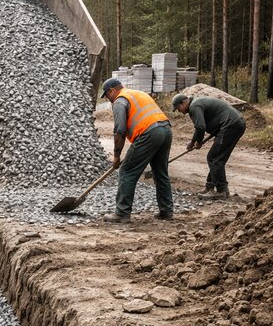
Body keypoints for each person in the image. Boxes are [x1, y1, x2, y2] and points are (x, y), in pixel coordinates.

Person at [100, 78, 174, 223]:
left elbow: (119, 131)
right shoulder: (136, 93)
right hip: (166, 130)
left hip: (150, 133)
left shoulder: (120, 101)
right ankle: (166, 211)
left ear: (112, 91)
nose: (108, 100)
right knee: (160, 172)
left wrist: (116, 155)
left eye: (107, 96)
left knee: (127, 171)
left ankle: (122, 213)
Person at [172, 93, 246, 199]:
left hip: (231, 125)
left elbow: (201, 127)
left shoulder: (194, 106)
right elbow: (200, 127)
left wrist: (198, 141)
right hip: (233, 124)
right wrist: (193, 142)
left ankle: (221, 191)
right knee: (216, 158)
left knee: (214, 158)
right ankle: (210, 186)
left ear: (183, 102)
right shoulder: (196, 103)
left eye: (178, 108)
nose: (179, 111)